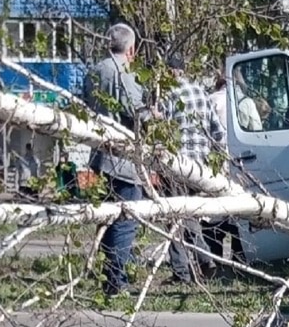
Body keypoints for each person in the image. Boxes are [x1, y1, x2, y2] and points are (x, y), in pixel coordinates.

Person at [84, 22, 148, 298]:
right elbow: (136, 111)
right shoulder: (125, 72)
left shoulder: (94, 72)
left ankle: (109, 275)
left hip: (99, 155)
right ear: (131, 48)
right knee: (126, 218)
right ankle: (116, 280)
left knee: (108, 218)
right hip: (123, 159)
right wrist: (153, 115)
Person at [153, 47, 227, 284]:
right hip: (200, 168)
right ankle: (201, 264)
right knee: (190, 215)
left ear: (171, 71)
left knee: (176, 219)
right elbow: (218, 132)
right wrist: (215, 160)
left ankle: (187, 270)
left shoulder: (167, 95)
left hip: (176, 166)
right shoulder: (201, 93)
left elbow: (159, 131)